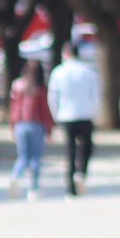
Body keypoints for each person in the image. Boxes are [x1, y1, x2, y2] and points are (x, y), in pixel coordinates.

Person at [47, 48, 100, 195]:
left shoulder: (58, 72)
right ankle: (81, 172)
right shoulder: (88, 71)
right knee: (87, 147)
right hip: (85, 114)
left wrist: (55, 116)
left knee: (70, 150)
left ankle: (70, 186)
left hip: (66, 115)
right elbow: (95, 95)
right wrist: (93, 112)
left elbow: (52, 96)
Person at [7, 58, 52, 200]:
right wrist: (49, 129)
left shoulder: (17, 86)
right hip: (36, 125)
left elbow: (13, 108)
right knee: (35, 158)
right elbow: (44, 110)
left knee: (23, 156)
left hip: (20, 125)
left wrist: (12, 126)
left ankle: (15, 177)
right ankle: (33, 189)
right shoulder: (40, 89)